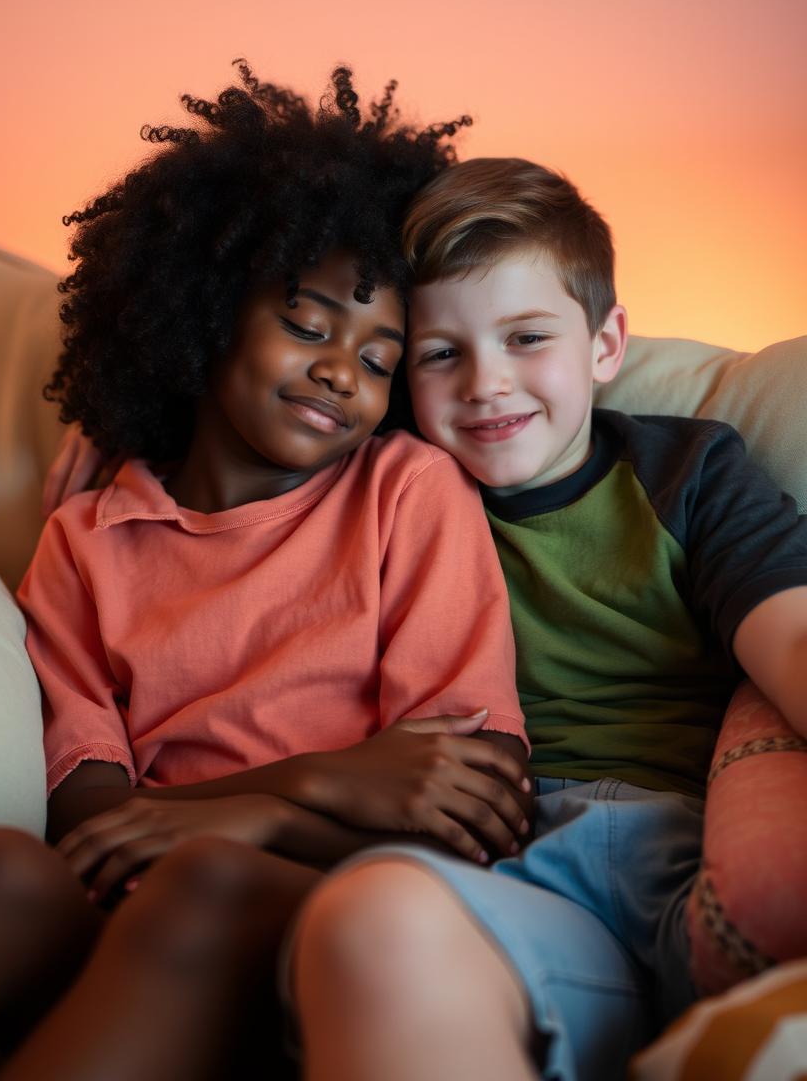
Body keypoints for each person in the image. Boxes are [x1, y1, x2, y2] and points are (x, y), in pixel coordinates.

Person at [0, 78, 533, 1080]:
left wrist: (257, 812)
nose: (341, 371)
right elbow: (87, 810)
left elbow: (462, 808)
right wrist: (318, 776)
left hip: (301, 892)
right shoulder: (89, 537)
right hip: (131, 886)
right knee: (2, 869)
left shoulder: (407, 493)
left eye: (380, 355)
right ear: (205, 307)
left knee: (208, 880)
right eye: (308, 322)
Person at [290, 157, 807, 1081]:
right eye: (442, 354)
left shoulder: (686, 473)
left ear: (606, 344)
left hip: (668, 850)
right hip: (481, 856)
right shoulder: (383, 483)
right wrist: (136, 414)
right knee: (371, 919)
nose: (487, 384)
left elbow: (793, 638)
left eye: (527, 338)